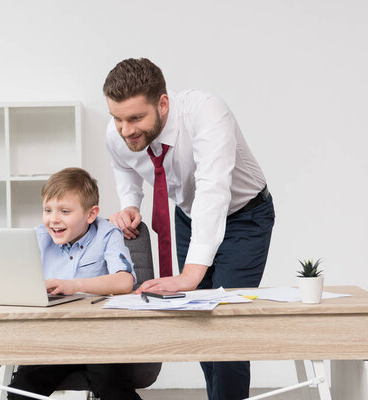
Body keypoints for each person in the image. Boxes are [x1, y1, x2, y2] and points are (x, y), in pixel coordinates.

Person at [103, 58, 275, 400]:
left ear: (163, 103)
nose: (126, 130)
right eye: (118, 118)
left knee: (226, 325)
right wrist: (131, 204)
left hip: (243, 215)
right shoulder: (118, 132)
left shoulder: (207, 113)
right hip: (188, 215)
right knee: (200, 321)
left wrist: (189, 276)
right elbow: (125, 167)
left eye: (136, 118)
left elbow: (213, 191)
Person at [8, 167, 141, 400]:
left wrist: (74, 285)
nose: (54, 219)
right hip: (54, 339)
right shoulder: (38, 237)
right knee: (21, 390)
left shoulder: (108, 234)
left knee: (112, 388)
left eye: (65, 211)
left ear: (91, 214)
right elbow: (16, 281)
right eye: (47, 210)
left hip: (102, 338)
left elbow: (124, 281)